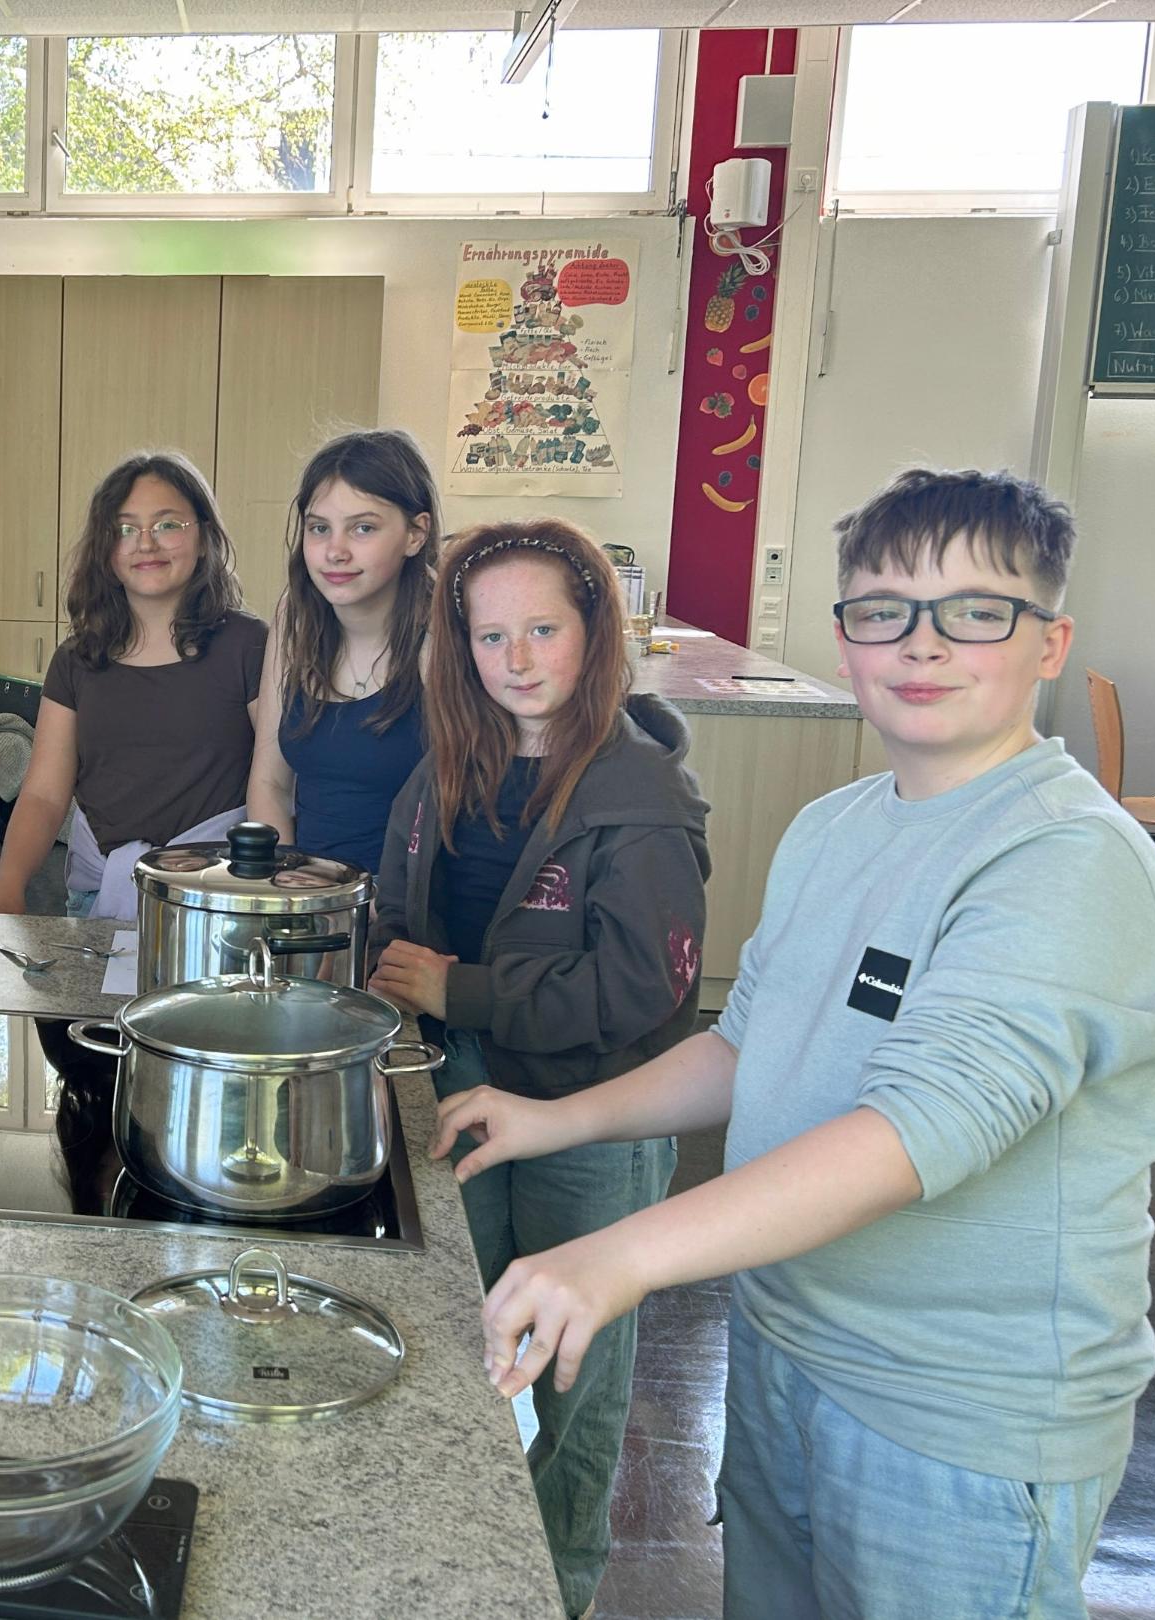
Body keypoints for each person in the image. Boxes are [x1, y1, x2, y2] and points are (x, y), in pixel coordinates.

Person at [433, 470, 1155, 1620]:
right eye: (886, 609)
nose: (923, 644)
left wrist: (619, 1254)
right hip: (783, 1357)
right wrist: (554, 1119)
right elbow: (745, 1044)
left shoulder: (1066, 860)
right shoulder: (835, 826)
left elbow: (909, 1135)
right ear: (847, 639)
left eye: (975, 611)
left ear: (1050, 643)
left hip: (955, 1427)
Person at [367, 517, 709, 1620]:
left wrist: (460, 990)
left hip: (592, 1117)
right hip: (455, 1089)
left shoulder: (641, 795)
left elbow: (640, 991)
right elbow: (400, 918)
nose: (516, 660)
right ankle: (453, 1574)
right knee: (453, 1331)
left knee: (572, 1376)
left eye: (543, 631)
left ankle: (557, 1590)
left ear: (594, 633)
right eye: (490, 636)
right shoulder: (446, 770)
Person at [0, 451, 264, 922]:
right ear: (105, 548)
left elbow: (276, 785)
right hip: (100, 896)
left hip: (221, 902)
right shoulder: (77, 659)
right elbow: (44, 794)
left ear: (203, 537)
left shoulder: (250, 646)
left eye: (168, 525)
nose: (146, 543)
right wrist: (6, 888)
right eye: (124, 529)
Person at [245, 429, 438, 875]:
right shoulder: (295, 615)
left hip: (411, 905)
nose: (335, 551)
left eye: (363, 528)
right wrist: (292, 888)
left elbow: (470, 812)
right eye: (319, 528)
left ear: (415, 534)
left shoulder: (446, 628)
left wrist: (384, 907)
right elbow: (270, 784)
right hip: (309, 896)